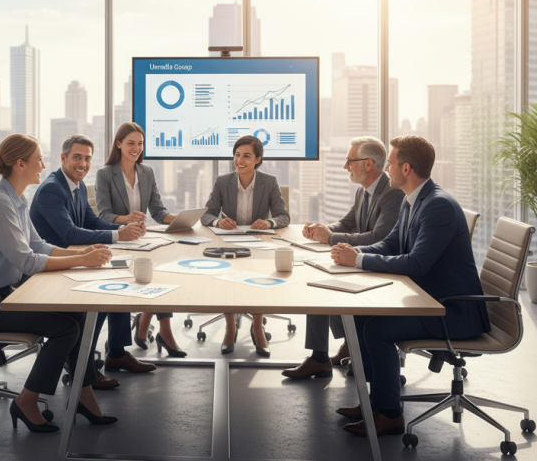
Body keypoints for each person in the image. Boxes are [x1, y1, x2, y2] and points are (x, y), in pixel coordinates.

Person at [330, 135, 490, 437]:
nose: (386, 168)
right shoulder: (413, 199)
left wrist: (359, 262)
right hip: (431, 299)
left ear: (406, 168)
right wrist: (357, 255)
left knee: (377, 329)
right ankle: (374, 403)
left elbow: (416, 264)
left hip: (452, 310)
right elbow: (392, 243)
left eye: (390, 163)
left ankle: (389, 415)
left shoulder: (437, 206)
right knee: (363, 316)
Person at [0, 134, 118, 433]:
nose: (44, 165)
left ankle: (84, 393)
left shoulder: (15, 199)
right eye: (39, 159)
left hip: (2, 295)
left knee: (78, 314)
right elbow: (27, 260)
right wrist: (81, 260)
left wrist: (83, 253)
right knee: (65, 328)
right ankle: (26, 401)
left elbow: (39, 244)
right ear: (20, 164)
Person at [30, 134, 155, 388]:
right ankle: (82, 366)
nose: (83, 164)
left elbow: (90, 222)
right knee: (101, 298)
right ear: (63, 158)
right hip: (51, 269)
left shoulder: (76, 186)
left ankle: (116, 354)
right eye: (77, 157)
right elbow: (69, 234)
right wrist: (117, 234)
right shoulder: (53, 189)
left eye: (87, 158)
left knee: (121, 283)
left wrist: (123, 227)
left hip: (75, 260)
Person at [282, 136, 403, 379]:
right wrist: (321, 229)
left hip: (379, 267)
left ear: (368, 164)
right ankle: (322, 357)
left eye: (350, 161)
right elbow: (348, 223)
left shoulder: (392, 193)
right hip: (360, 261)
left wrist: (329, 238)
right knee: (316, 282)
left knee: (325, 287)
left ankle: (345, 349)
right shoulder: (365, 190)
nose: (345, 167)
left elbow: (379, 237)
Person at [95, 122, 185, 358]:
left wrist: (180, 219)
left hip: (143, 241)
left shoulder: (147, 172)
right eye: (131, 143)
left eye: (140, 143)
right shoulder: (105, 174)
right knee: (123, 288)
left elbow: (157, 211)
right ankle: (118, 348)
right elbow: (102, 214)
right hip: (117, 241)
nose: (136, 148)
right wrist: (125, 219)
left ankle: (162, 330)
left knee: (162, 274)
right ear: (119, 144)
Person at [200, 135, 290, 357]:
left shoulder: (269, 182)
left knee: (258, 279)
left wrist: (268, 222)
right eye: (237, 155)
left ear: (258, 159)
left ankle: (257, 325)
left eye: (247, 156)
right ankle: (231, 327)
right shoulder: (223, 181)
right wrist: (217, 221)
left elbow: (283, 216)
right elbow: (207, 214)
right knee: (226, 279)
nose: (240, 160)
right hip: (228, 241)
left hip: (257, 242)